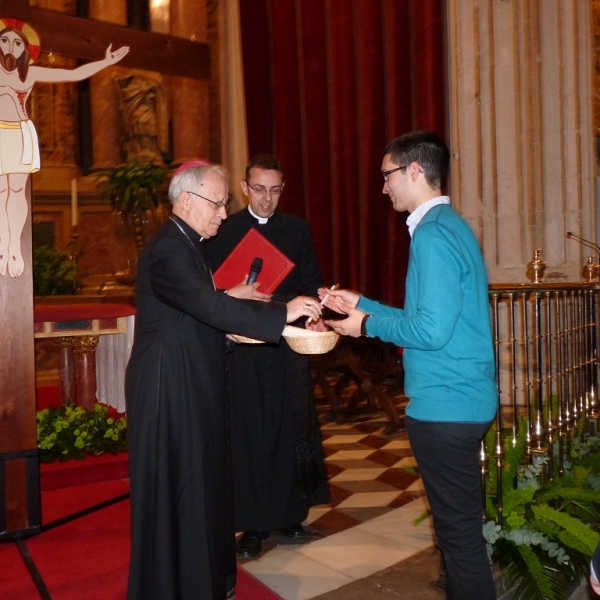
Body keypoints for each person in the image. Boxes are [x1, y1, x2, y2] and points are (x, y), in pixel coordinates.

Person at [125, 162, 322, 600]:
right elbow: (206, 309)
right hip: (169, 386)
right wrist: (282, 310)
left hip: (191, 377)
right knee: (182, 487)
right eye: (216, 203)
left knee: (202, 484)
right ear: (187, 200)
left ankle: (205, 581)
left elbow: (200, 303)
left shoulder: (185, 242)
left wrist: (232, 297)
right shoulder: (169, 249)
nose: (222, 213)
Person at [321, 131, 498, 599]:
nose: (384, 187)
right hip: (461, 400)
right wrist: (363, 306)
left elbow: (431, 333)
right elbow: (428, 320)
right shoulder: (449, 225)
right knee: (460, 538)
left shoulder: (433, 235)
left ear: (415, 171)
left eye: (387, 175)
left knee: (459, 542)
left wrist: (366, 326)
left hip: (445, 406)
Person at [206, 154, 329, 560]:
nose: (266, 199)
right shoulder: (224, 230)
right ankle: (254, 524)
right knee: (250, 434)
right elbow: (211, 293)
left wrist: (312, 312)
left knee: (289, 428)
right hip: (241, 350)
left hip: (286, 348)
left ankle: (289, 514)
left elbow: (311, 284)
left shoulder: (297, 229)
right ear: (244, 188)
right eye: (259, 189)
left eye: (275, 190)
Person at [0, 18, 129, 277]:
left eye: (17, 43)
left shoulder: (30, 73)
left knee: (16, 190)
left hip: (20, 134)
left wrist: (104, 62)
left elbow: (72, 75)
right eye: (4, 41)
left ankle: (14, 246)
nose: (10, 47)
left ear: (25, 49)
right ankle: (3, 247)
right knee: (0, 192)